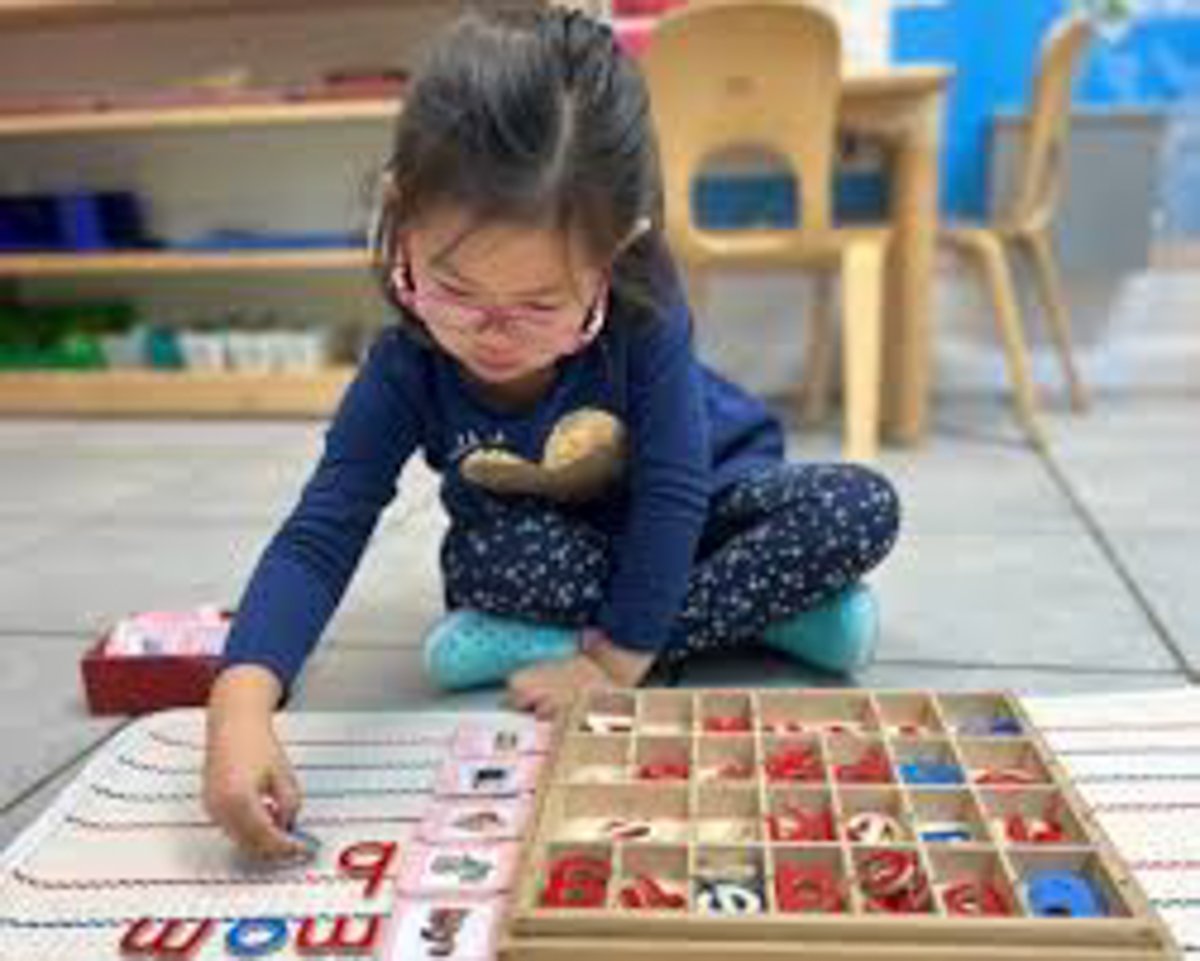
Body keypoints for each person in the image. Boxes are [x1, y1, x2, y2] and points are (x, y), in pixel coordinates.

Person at [203, 7, 900, 859]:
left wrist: (611, 667)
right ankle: (779, 617)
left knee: (855, 505)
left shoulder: (647, 310)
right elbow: (323, 532)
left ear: (618, 254)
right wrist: (239, 708)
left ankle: (588, 638)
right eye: (454, 290)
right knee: (487, 559)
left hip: (702, 512)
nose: (492, 334)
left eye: (541, 304)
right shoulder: (405, 365)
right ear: (400, 215)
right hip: (561, 548)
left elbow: (675, 492)